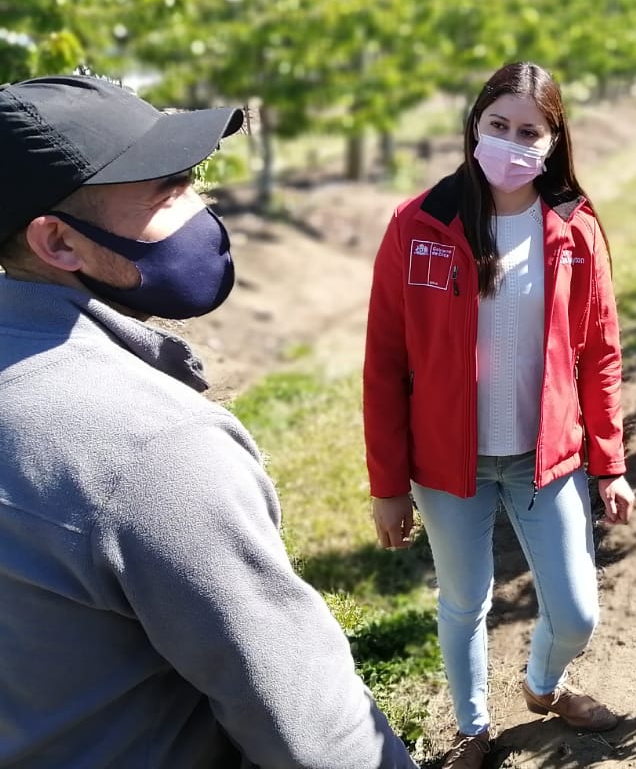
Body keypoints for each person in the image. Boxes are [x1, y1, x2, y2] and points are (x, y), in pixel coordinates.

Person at [0, 75, 418, 768]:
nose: (203, 210)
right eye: (168, 189)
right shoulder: (152, 447)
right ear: (59, 244)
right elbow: (318, 740)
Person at [364, 60, 635, 769]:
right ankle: (474, 729)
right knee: (464, 601)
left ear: (553, 141)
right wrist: (388, 483)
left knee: (577, 611)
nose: (512, 143)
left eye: (530, 131)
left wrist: (610, 463)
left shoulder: (575, 227)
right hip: (447, 464)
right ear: (474, 126)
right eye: (498, 125)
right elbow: (385, 363)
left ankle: (544, 685)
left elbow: (600, 353)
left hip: (546, 458)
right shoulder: (419, 225)